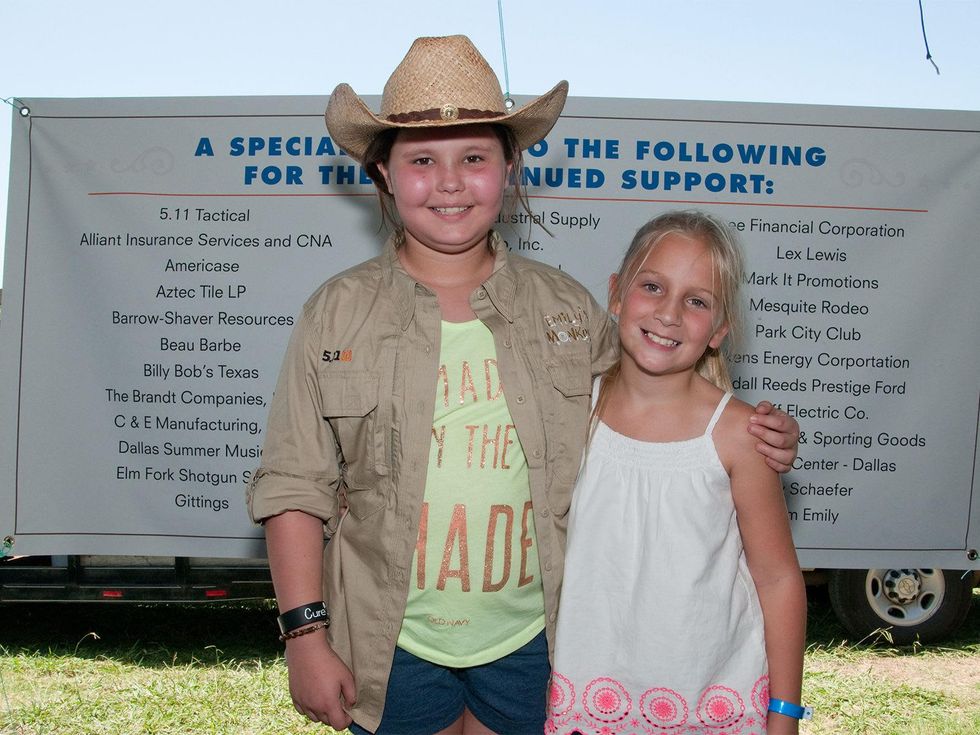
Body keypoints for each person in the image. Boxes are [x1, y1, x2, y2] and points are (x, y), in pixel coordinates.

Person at [247, 36, 801, 735]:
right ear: (383, 172)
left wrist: (753, 429)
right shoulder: (334, 313)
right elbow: (294, 483)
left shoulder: (566, 310)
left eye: (474, 158)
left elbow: (653, 395)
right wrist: (304, 635)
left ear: (510, 168)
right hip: (388, 643)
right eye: (422, 160)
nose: (450, 182)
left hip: (539, 644)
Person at [547, 211, 808, 735]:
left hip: (712, 705)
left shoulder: (741, 435)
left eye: (697, 301)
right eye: (652, 287)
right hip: (585, 700)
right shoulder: (569, 410)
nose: (668, 313)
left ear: (719, 330)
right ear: (616, 294)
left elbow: (778, 579)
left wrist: (784, 716)